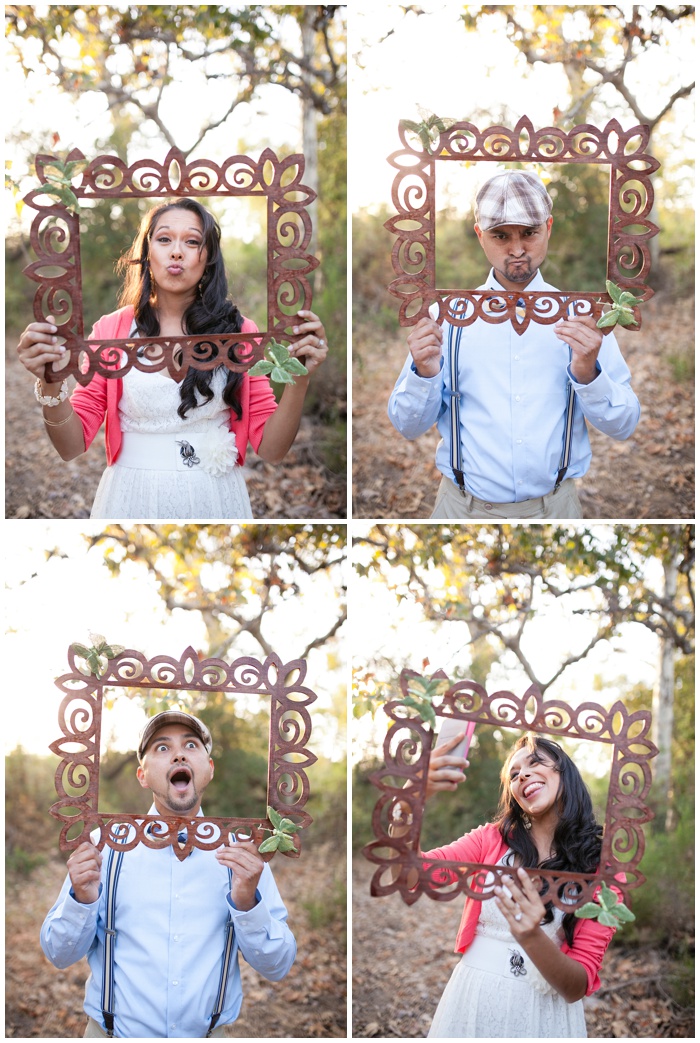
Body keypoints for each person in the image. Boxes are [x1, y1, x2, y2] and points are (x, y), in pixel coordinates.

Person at [17, 198, 328, 519]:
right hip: (130, 496)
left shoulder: (240, 332)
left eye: (192, 241)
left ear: (208, 257)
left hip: (216, 498)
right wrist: (50, 383)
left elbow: (272, 450)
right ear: (147, 251)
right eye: (164, 239)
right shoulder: (112, 330)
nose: (176, 251)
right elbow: (70, 446)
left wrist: (299, 379)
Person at [388, 169, 640, 519]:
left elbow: (624, 424)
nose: (517, 249)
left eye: (529, 232)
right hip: (461, 510)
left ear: (548, 227)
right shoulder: (446, 316)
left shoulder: (583, 317)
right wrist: (424, 373)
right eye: (500, 235)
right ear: (480, 235)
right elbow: (407, 426)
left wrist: (588, 374)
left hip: (557, 510)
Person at [41, 710, 296, 1038]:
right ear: (142, 776)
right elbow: (58, 954)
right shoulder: (103, 847)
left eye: (191, 745)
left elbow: (278, 965)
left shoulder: (243, 853)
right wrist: (82, 900)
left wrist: (247, 904)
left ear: (209, 769)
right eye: (162, 748)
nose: (178, 753)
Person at [401, 731, 616, 1038]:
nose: (522, 774)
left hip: (544, 1015)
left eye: (535, 762)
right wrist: (412, 797)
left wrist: (531, 935)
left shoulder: (604, 868)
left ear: (564, 772)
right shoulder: (492, 839)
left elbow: (576, 986)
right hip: (473, 997)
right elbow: (413, 874)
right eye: (514, 775)